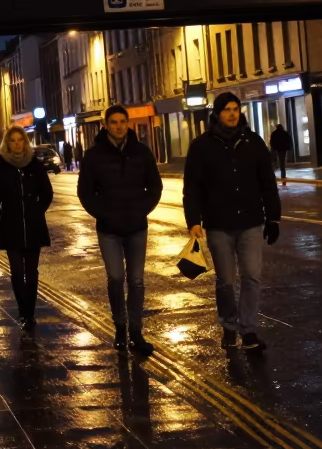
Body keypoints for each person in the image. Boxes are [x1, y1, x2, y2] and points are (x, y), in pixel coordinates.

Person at [183, 92, 281, 353]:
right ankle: (229, 325)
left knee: (252, 277)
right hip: (218, 225)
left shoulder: (253, 142)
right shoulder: (202, 146)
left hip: (250, 222)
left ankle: (248, 330)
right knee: (226, 282)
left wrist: (273, 217)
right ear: (217, 114)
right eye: (226, 109)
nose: (232, 113)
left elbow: (268, 184)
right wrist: (193, 220)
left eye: (235, 109)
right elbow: (192, 188)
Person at [78, 105, 163, 355]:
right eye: (114, 122)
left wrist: (142, 210)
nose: (118, 126)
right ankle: (120, 326)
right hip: (109, 229)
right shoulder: (94, 156)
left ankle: (136, 332)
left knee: (136, 281)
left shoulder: (141, 152)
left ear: (128, 124)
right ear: (106, 125)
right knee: (116, 277)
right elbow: (85, 193)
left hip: (137, 226)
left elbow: (155, 187)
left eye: (122, 122)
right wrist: (103, 213)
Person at [0, 125, 53, 329]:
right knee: (17, 272)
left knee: (32, 272)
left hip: (33, 227)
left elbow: (46, 193)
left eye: (20, 140)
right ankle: (22, 310)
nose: (17, 144)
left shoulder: (34, 165)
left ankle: (30, 313)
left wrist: (37, 210)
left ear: (25, 143)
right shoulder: (1, 167)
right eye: (13, 140)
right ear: (7, 143)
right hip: (11, 227)